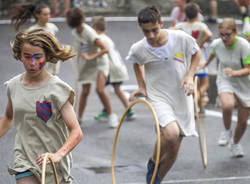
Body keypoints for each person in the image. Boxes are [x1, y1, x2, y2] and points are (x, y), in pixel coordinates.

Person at [127, 5, 201, 183]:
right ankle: (153, 162)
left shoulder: (180, 38)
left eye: (154, 30)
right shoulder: (139, 48)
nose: (151, 35)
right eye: (146, 32)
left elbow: (196, 53)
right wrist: (141, 86)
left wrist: (190, 76)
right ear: (141, 29)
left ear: (162, 23)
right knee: (171, 134)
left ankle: (155, 180)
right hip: (159, 97)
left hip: (182, 96)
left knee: (174, 150)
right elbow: (136, 62)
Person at [0, 29, 83, 183]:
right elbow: (8, 118)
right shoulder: (13, 86)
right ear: (19, 55)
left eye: (38, 57)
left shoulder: (58, 89)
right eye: (27, 57)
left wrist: (58, 155)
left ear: (47, 57)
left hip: (54, 162)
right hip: (24, 159)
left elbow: (76, 131)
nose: (32, 63)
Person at [201, 18, 250, 157]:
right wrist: (203, 65)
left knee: (243, 120)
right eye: (221, 34)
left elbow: (248, 69)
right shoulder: (217, 44)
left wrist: (235, 73)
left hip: (244, 81)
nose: (224, 38)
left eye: (227, 34)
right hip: (225, 78)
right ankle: (227, 131)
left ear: (235, 32)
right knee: (227, 105)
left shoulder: (244, 45)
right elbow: (212, 55)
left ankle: (235, 144)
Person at [66, 7, 119, 127]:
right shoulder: (75, 32)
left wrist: (91, 57)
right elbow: (81, 47)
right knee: (85, 91)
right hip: (85, 64)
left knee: (100, 90)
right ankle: (78, 119)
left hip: (99, 62)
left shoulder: (89, 31)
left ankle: (111, 115)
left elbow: (105, 49)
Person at [91, 16, 135, 120]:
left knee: (101, 89)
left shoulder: (100, 39)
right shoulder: (105, 38)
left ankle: (111, 110)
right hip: (117, 68)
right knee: (113, 89)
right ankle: (124, 109)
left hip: (112, 69)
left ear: (94, 27)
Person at [175, 2, 213, 110]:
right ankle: (195, 102)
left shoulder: (180, 26)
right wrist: (200, 44)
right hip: (199, 56)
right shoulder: (200, 25)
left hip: (186, 56)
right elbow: (209, 34)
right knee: (204, 83)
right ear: (197, 14)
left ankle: (200, 108)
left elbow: (170, 31)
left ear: (185, 15)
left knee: (193, 81)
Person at [11, 2, 60, 75]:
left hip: (52, 59)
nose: (48, 16)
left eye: (49, 14)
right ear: (38, 15)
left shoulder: (52, 27)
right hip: (41, 59)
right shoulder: (32, 30)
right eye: (45, 14)